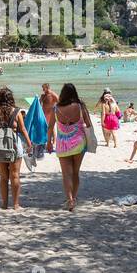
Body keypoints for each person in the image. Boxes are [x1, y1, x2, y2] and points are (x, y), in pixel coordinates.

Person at [48, 82, 95, 212]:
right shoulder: (80, 107)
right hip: (79, 142)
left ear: (62, 94)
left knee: (66, 174)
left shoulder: (56, 108)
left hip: (62, 145)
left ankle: (69, 200)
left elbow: (50, 127)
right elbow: (88, 124)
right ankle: (74, 198)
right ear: (75, 93)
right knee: (75, 172)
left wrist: (48, 142)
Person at [0, 86, 33, 210]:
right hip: (15, 146)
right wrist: (29, 144)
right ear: (11, 99)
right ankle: (16, 205)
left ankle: (4, 204)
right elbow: (23, 130)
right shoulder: (17, 112)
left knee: (3, 177)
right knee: (15, 175)